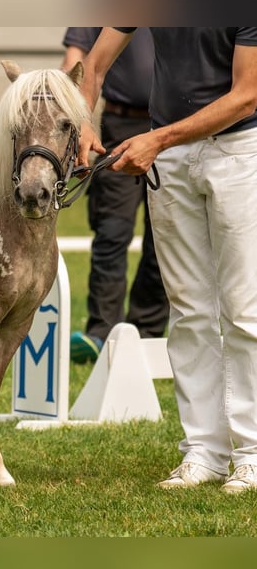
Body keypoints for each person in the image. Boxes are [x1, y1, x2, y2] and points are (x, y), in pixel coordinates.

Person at [78, 28, 257, 493]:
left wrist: (157, 139)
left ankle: (252, 453)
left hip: (239, 151)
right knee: (189, 309)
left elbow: (246, 95)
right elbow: (94, 65)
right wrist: (82, 119)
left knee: (243, 310)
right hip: (170, 156)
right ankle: (204, 452)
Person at [61, 28, 169, 364]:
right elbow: (76, 60)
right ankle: (101, 333)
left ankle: (148, 333)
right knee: (111, 232)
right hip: (120, 124)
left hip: (172, 130)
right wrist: (75, 116)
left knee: (165, 238)